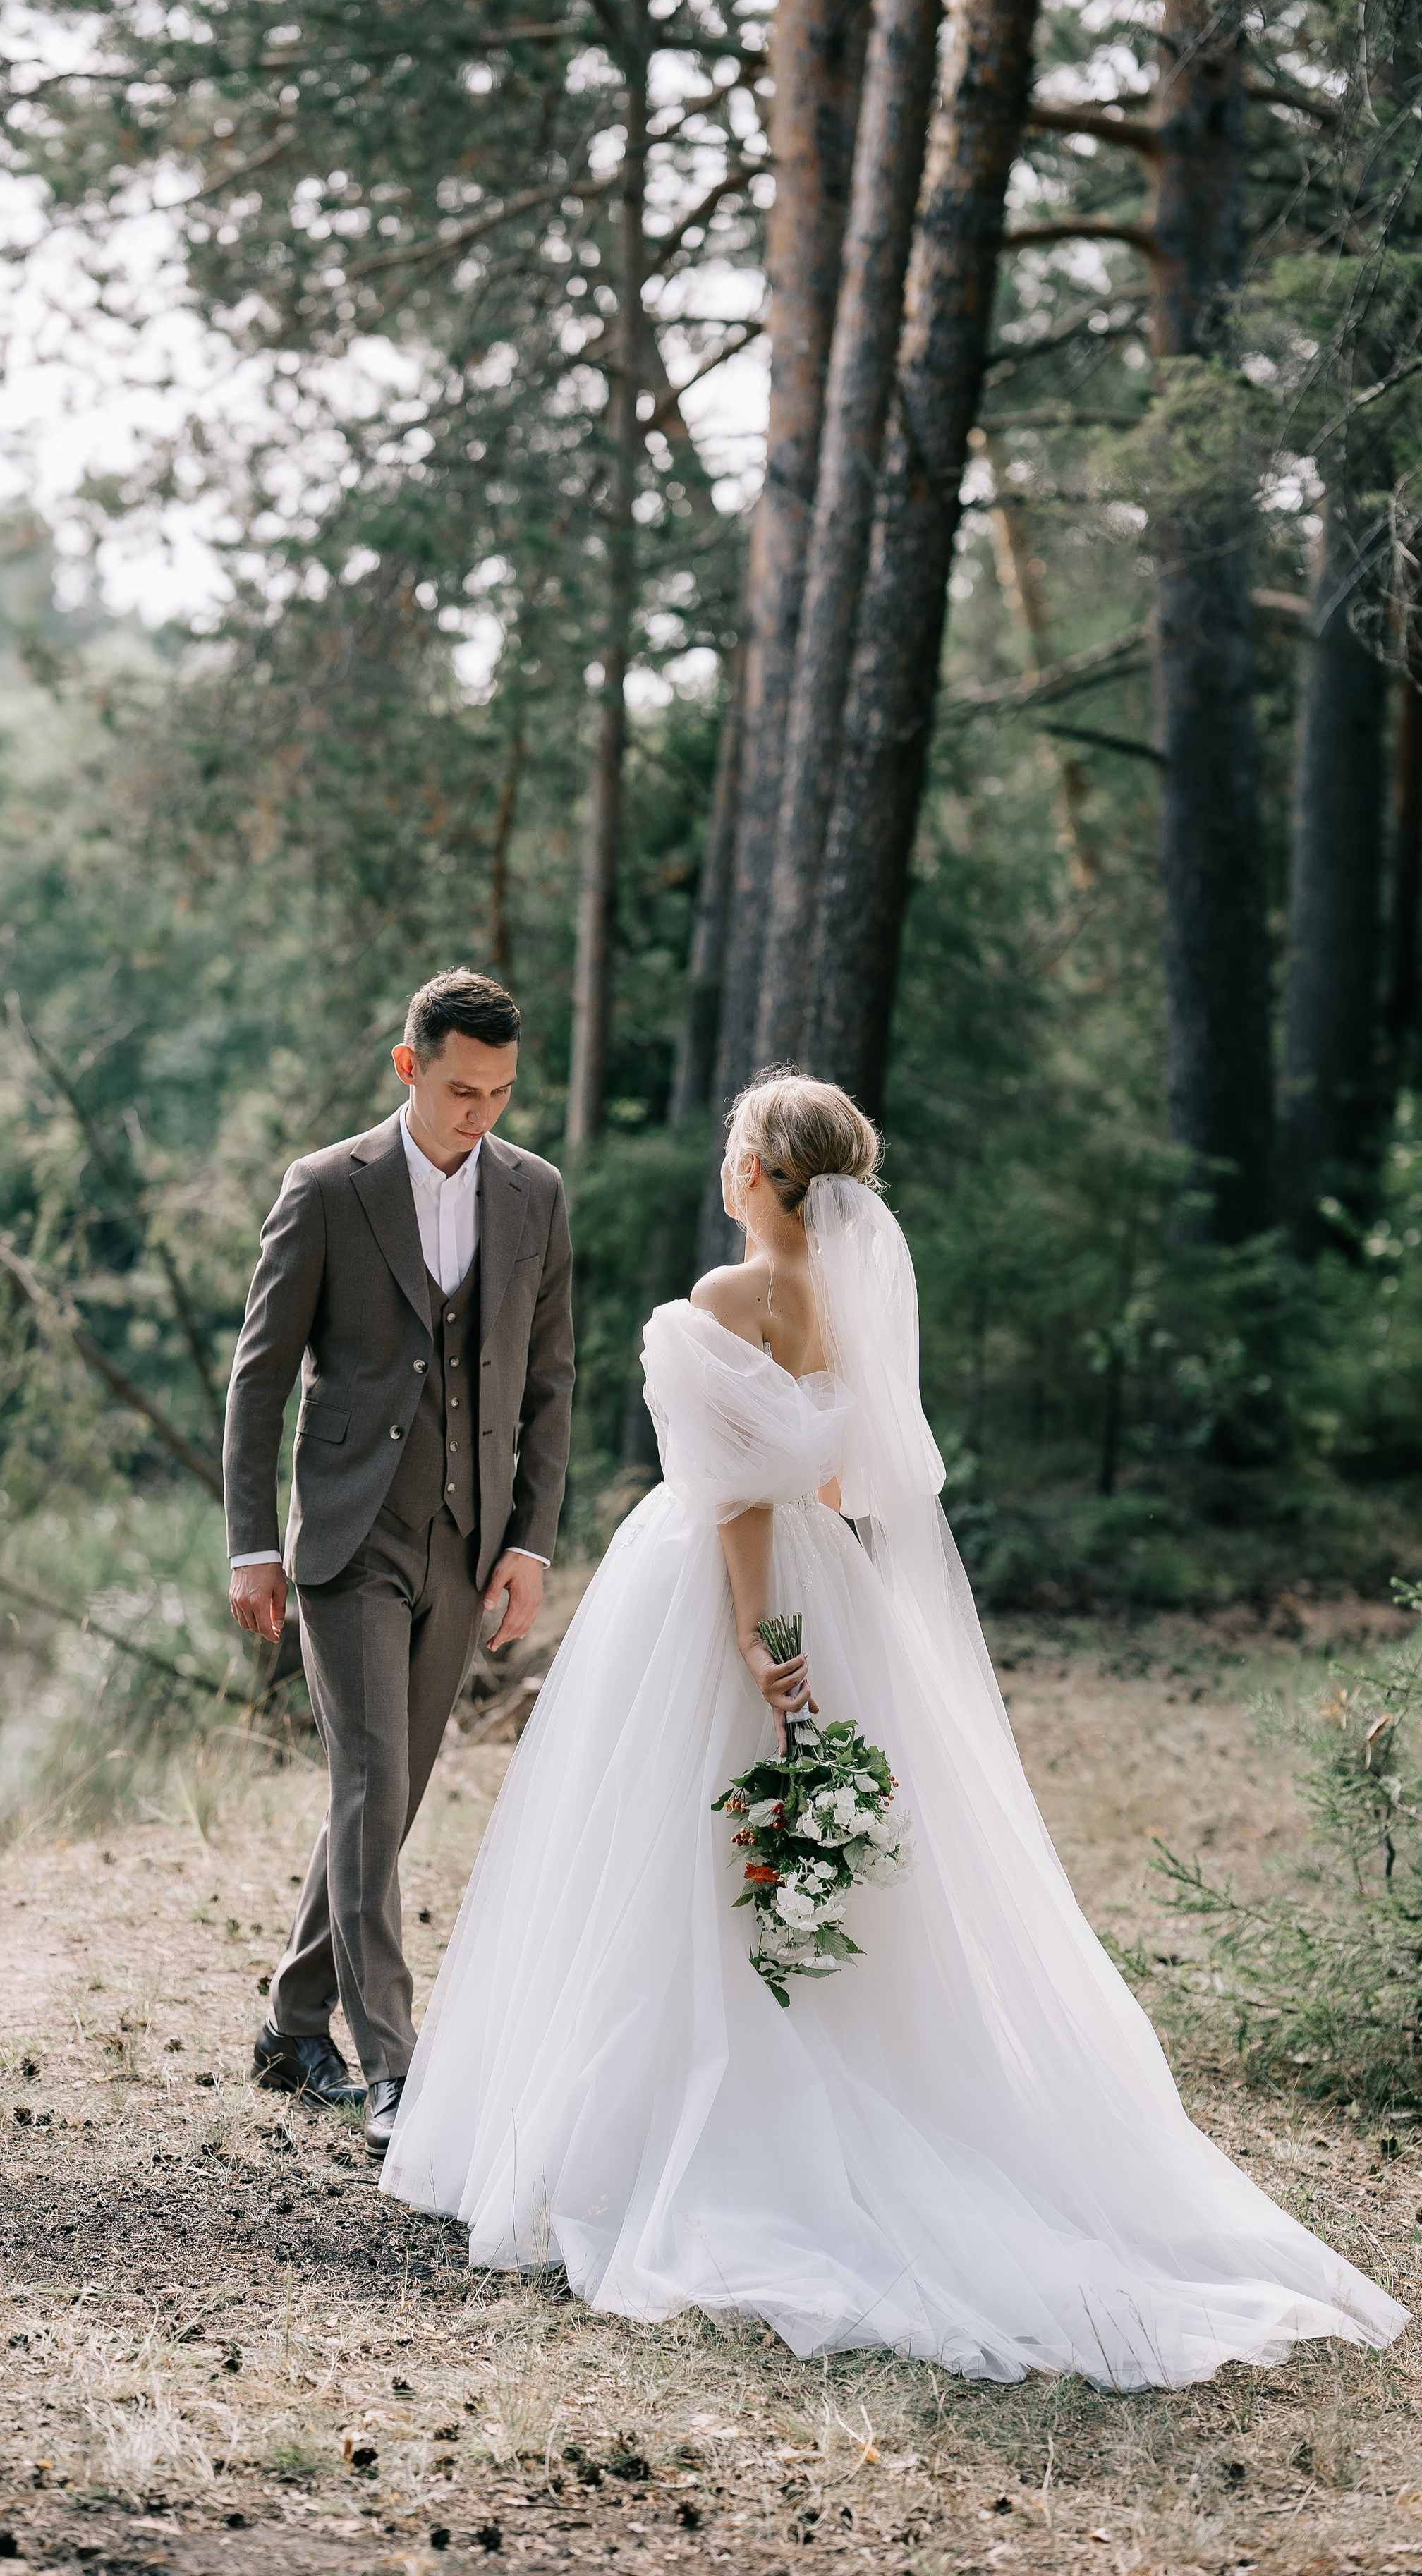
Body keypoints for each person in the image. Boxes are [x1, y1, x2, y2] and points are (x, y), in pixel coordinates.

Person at [382, 1070, 1408, 2386]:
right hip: (832, 1573)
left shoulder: (731, 1299)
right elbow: (835, 1478)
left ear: (755, 1172)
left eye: (734, 1150)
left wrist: (758, 1634)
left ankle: (663, 2126)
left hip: (730, 1587)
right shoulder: (846, 1305)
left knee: (683, 1835)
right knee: (805, 1849)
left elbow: (745, 1496)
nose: (725, 1166)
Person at [224, 969, 574, 2158]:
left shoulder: (535, 1195)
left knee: (390, 1790)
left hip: (468, 1541)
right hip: (348, 1537)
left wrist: (529, 1539)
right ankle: (393, 2064)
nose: (480, 1113)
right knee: (373, 1776)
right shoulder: (326, 1189)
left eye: (501, 1093)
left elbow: (550, 1381)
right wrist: (251, 1542)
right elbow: (261, 1376)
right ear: (408, 1065)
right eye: (461, 1089)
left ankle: (290, 2024)